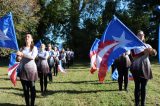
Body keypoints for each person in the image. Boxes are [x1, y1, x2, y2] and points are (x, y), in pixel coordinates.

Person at [130, 30, 157, 106]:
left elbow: (154, 53)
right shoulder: (133, 46)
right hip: (137, 67)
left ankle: (143, 104)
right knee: (137, 87)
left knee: (144, 87)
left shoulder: (147, 45)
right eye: (139, 34)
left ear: (144, 36)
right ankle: (137, 103)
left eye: (142, 34)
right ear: (136, 36)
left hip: (146, 67)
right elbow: (133, 56)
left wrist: (153, 51)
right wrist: (143, 52)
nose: (141, 36)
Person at [17, 33, 38, 106]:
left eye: (28, 37)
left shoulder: (34, 48)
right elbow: (18, 59)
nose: (27, 37)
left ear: (31, 39)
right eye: (26, 37)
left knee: (32, 89)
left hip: (32, 70)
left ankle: (32, 104)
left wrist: (22, 54)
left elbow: (32, 57)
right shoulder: (21, 48)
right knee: (25, 90)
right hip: (23, 70)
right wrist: (18, 57)